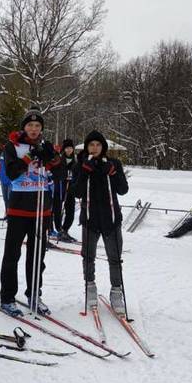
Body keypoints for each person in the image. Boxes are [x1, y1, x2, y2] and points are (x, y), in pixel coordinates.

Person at [0, 109, 63, 317]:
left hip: (41, 209)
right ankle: (7, 297)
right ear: (23, 127)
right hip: (19, 208)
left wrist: (52, 157)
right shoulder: (13, 146)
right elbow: (9, 173)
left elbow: (61, 172)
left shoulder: (46, 146)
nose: (34, 129)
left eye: (37, 126)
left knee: (37, 256)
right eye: (30, 126)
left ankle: (34, 294)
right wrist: (28, 157)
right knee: (12, 254)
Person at [74, 130, 129, 314]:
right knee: (88, 256)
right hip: (90, 219)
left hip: (111, 219)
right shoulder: (81, 164)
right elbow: (76, 192)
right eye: (91, 145)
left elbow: (123, 190)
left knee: (115, 258)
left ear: (103, 147)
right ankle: (90, 286)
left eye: (98, 145)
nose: (95, 148)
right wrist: (84, 172)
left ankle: (116, 291)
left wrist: (113, 173)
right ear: (87, 147)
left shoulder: (114, 163)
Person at [51, 138, 78, 242]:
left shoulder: (75, 160)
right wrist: (62, 176)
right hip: (60, 187)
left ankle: (65, 229)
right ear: (64, 149)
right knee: (57, 209)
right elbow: (53, 171)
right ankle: (58, 229)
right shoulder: (59, 159)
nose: (69, 150)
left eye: (70, 148)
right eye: (67, 148)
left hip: (71, 189)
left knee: (70, 210)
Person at [0, 146, 12, 217]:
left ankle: (10, 214)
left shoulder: (12, 155)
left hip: (11, 181)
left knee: (10, 198)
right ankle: (6, 213)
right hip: (3, 180)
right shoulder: (2, 155)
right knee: (5, 198)